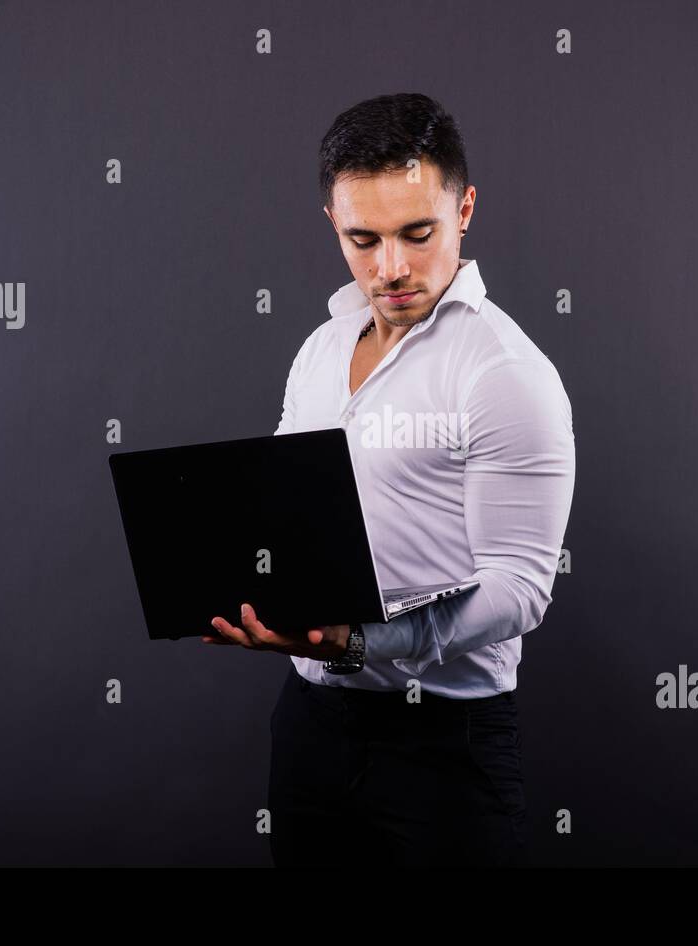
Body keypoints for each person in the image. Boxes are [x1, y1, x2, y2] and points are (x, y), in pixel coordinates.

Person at [202, 92, 575, 866]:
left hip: (444, 751)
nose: (392, 267)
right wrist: (240, 581)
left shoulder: (504, 372)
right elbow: (284, 510)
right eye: (363, 239)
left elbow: (519, 589)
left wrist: (361, 641)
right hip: (309, 725)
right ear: (332, 223)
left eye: (418, 233)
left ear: (464, 208)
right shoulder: (318, 349)